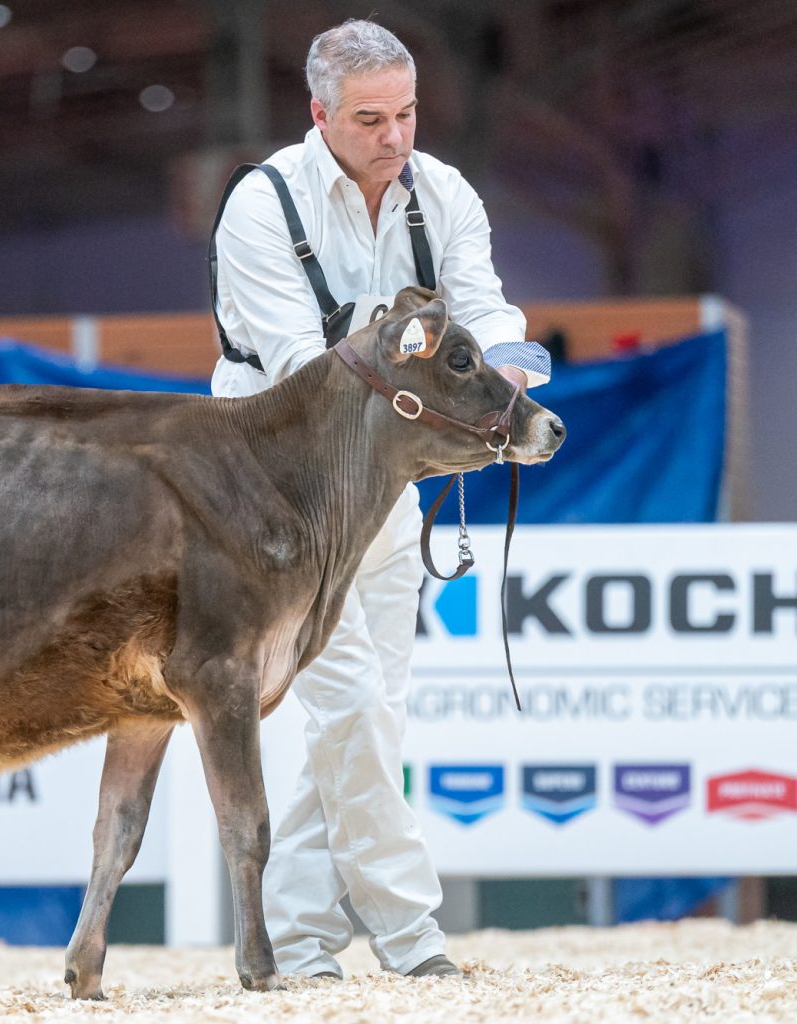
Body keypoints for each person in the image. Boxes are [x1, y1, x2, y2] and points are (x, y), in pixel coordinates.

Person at [208, 19, 551, 981]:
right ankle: (413, 936)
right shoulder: (261, 204)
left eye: (406, 113)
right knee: (350, 701)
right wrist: (437, 397)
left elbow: (484, 304)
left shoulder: (444, 193)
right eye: (369, 119)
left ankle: (300, 947)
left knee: (370, 718)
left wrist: (506, 372)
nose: (394, 135)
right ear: (320, 115)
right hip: (273, 485)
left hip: (391, 480)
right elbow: (300, 370)